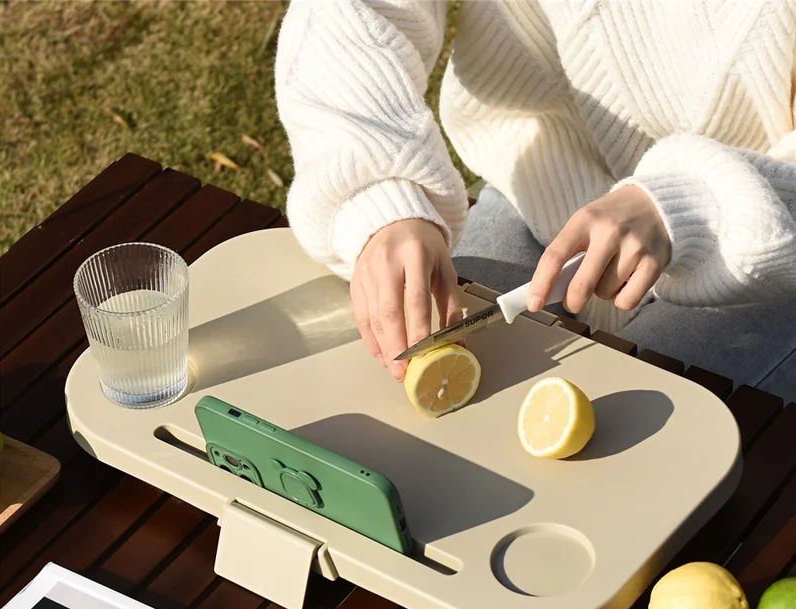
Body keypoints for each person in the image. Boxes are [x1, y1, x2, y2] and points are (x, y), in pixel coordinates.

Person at [274, 0, 796, 400]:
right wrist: (378, 194)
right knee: (404, 395)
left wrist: (691, 204)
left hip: (765, 241)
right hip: (543, 186)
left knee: (635, 448)